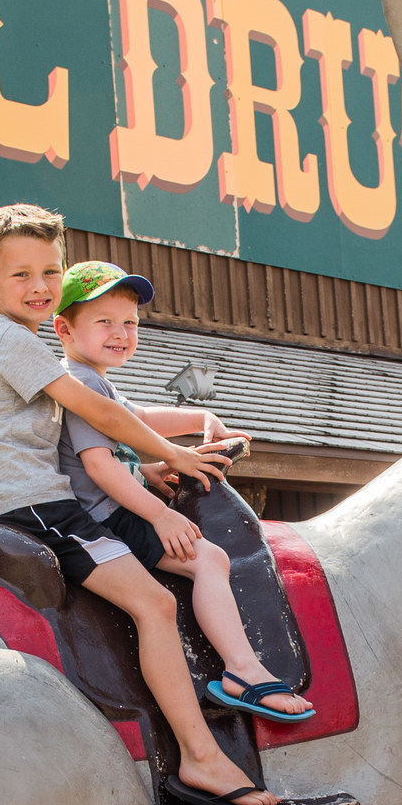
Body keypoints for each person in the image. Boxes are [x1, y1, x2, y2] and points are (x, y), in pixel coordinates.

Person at [0, 204, 268, 805]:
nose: (39, 286)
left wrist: (148, 467)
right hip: (33, 508)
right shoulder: (8, 342)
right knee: (153, 603)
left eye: (49, 270)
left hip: (45, 498)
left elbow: (92, 436)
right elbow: (101, 416)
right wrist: (177, 459)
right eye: (19, 275)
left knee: (181, 576)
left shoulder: (29, 347)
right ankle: (201, 757)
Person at [51, 262, 312, 726]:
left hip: (113, 504)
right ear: (64, 329)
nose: (121, 332)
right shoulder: (83, 383)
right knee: (210, 558)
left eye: (130, 322)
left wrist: (200, 421)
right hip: (107, 515)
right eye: (104, 321)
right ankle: (243, 670)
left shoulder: (94, 380)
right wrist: (161, 515)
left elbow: (140, 420)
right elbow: (98, 464)